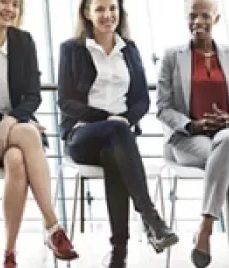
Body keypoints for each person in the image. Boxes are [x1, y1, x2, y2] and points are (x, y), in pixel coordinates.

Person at [0, 0, 79, 267]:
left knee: (17, 160)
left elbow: (33, 95)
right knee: (29, 135)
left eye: (15, 4)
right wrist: (4, 122)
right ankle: (53, 226)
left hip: (17, 129)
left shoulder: (24, 41)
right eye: (4, 2)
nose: (9, 8)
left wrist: (10, 122)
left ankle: (9, 253)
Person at [57, 0, 178, 267]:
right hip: (82, 135)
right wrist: (107, 118)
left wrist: (123, 120)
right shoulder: (72, 49)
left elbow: (142, 101)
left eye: (112, 8)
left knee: (115, 152)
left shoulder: (129, 49)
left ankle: (119, 254)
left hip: (118, 137)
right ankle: (150, 216)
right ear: (87, 13)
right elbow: (66, 101)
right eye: (100, 9)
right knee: (118, 131)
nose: (107, 15)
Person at [156, 0, 229, 267]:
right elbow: (163, 108)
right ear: (185, 19)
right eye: (192, 15)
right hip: (189, 140)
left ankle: (205, 227)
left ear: (217, 19)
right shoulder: (171, 56)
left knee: (227, 139)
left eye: (205, 15)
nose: (198, 21)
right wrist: (193, 125)